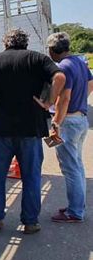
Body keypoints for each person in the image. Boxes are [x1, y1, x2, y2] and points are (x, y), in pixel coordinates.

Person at [0, 28, 66, 234]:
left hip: (1, 130)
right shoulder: (37, 59)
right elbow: (60, 78)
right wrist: (48, 102)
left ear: (6, 44)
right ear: (26, 43)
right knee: (31, 177)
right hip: (30, 130)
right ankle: (30, 222)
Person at [47, 32, 93, 223]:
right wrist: (80, 99)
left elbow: (63, 99)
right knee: (77, 165)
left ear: (52, 50)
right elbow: (91, 83)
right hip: (81, 119)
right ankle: (77, 205)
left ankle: (74, 211)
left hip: (68, 122)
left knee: (70, 167)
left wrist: (56, 123)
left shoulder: (63, 67)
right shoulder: (80, 62)